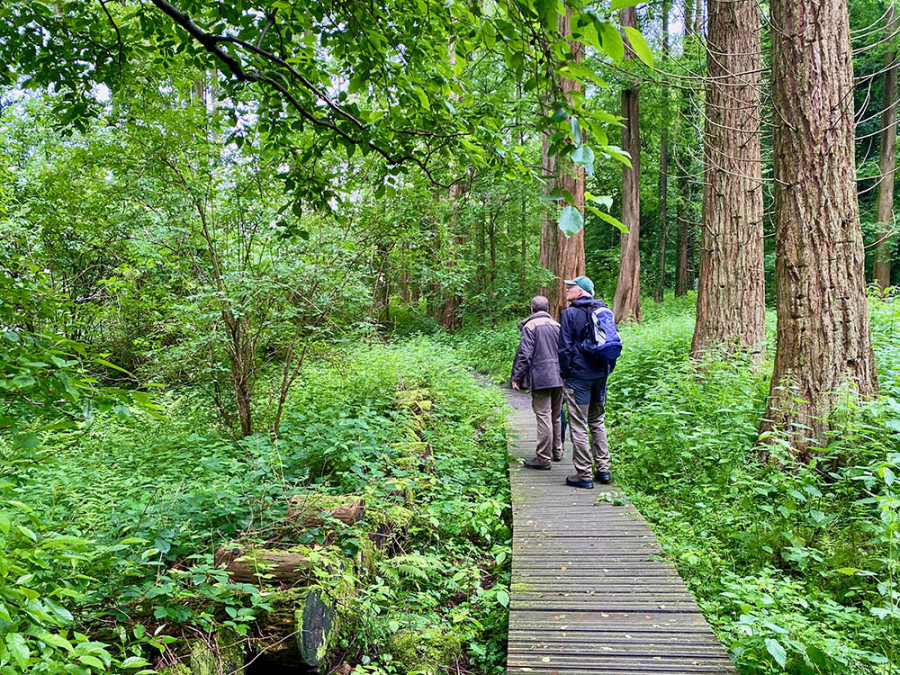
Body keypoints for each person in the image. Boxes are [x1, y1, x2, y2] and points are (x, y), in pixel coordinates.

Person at [558, 276, 613, 488]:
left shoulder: (570, 313)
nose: (567, 291)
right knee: (597, 421)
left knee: (578, 425)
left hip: (578, 378)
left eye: (571, 288)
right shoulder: (603, 311)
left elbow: (564, 348)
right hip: (600, 376)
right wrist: (606, 370)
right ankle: (603, 469)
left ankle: (584, 474)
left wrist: (566, 373)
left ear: (580, 292)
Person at [510, 296, 564, 469]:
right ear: (547, 308)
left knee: (543, 416)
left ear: (531, 309)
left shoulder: (530, 326)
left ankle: (543, 459)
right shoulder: (557, 325)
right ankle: (557, 451)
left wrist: (517, 377)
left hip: (542, 377)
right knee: (555, 415)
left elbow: (525, 354)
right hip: (559, 376)